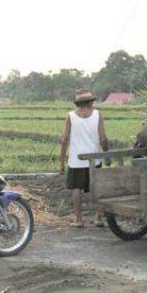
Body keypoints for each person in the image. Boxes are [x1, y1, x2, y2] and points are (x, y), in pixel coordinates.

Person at [59, 89, 109, 228]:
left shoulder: (71, 116)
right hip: (95, 158)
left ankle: (78, 219)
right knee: (97, 188)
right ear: (90, 102)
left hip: (76, 160)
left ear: (78, 103)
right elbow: (103, 138)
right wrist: (106, 154)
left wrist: (61, 162)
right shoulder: (98, 115)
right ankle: (99, 217)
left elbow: (64, 140)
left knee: (77, 189)